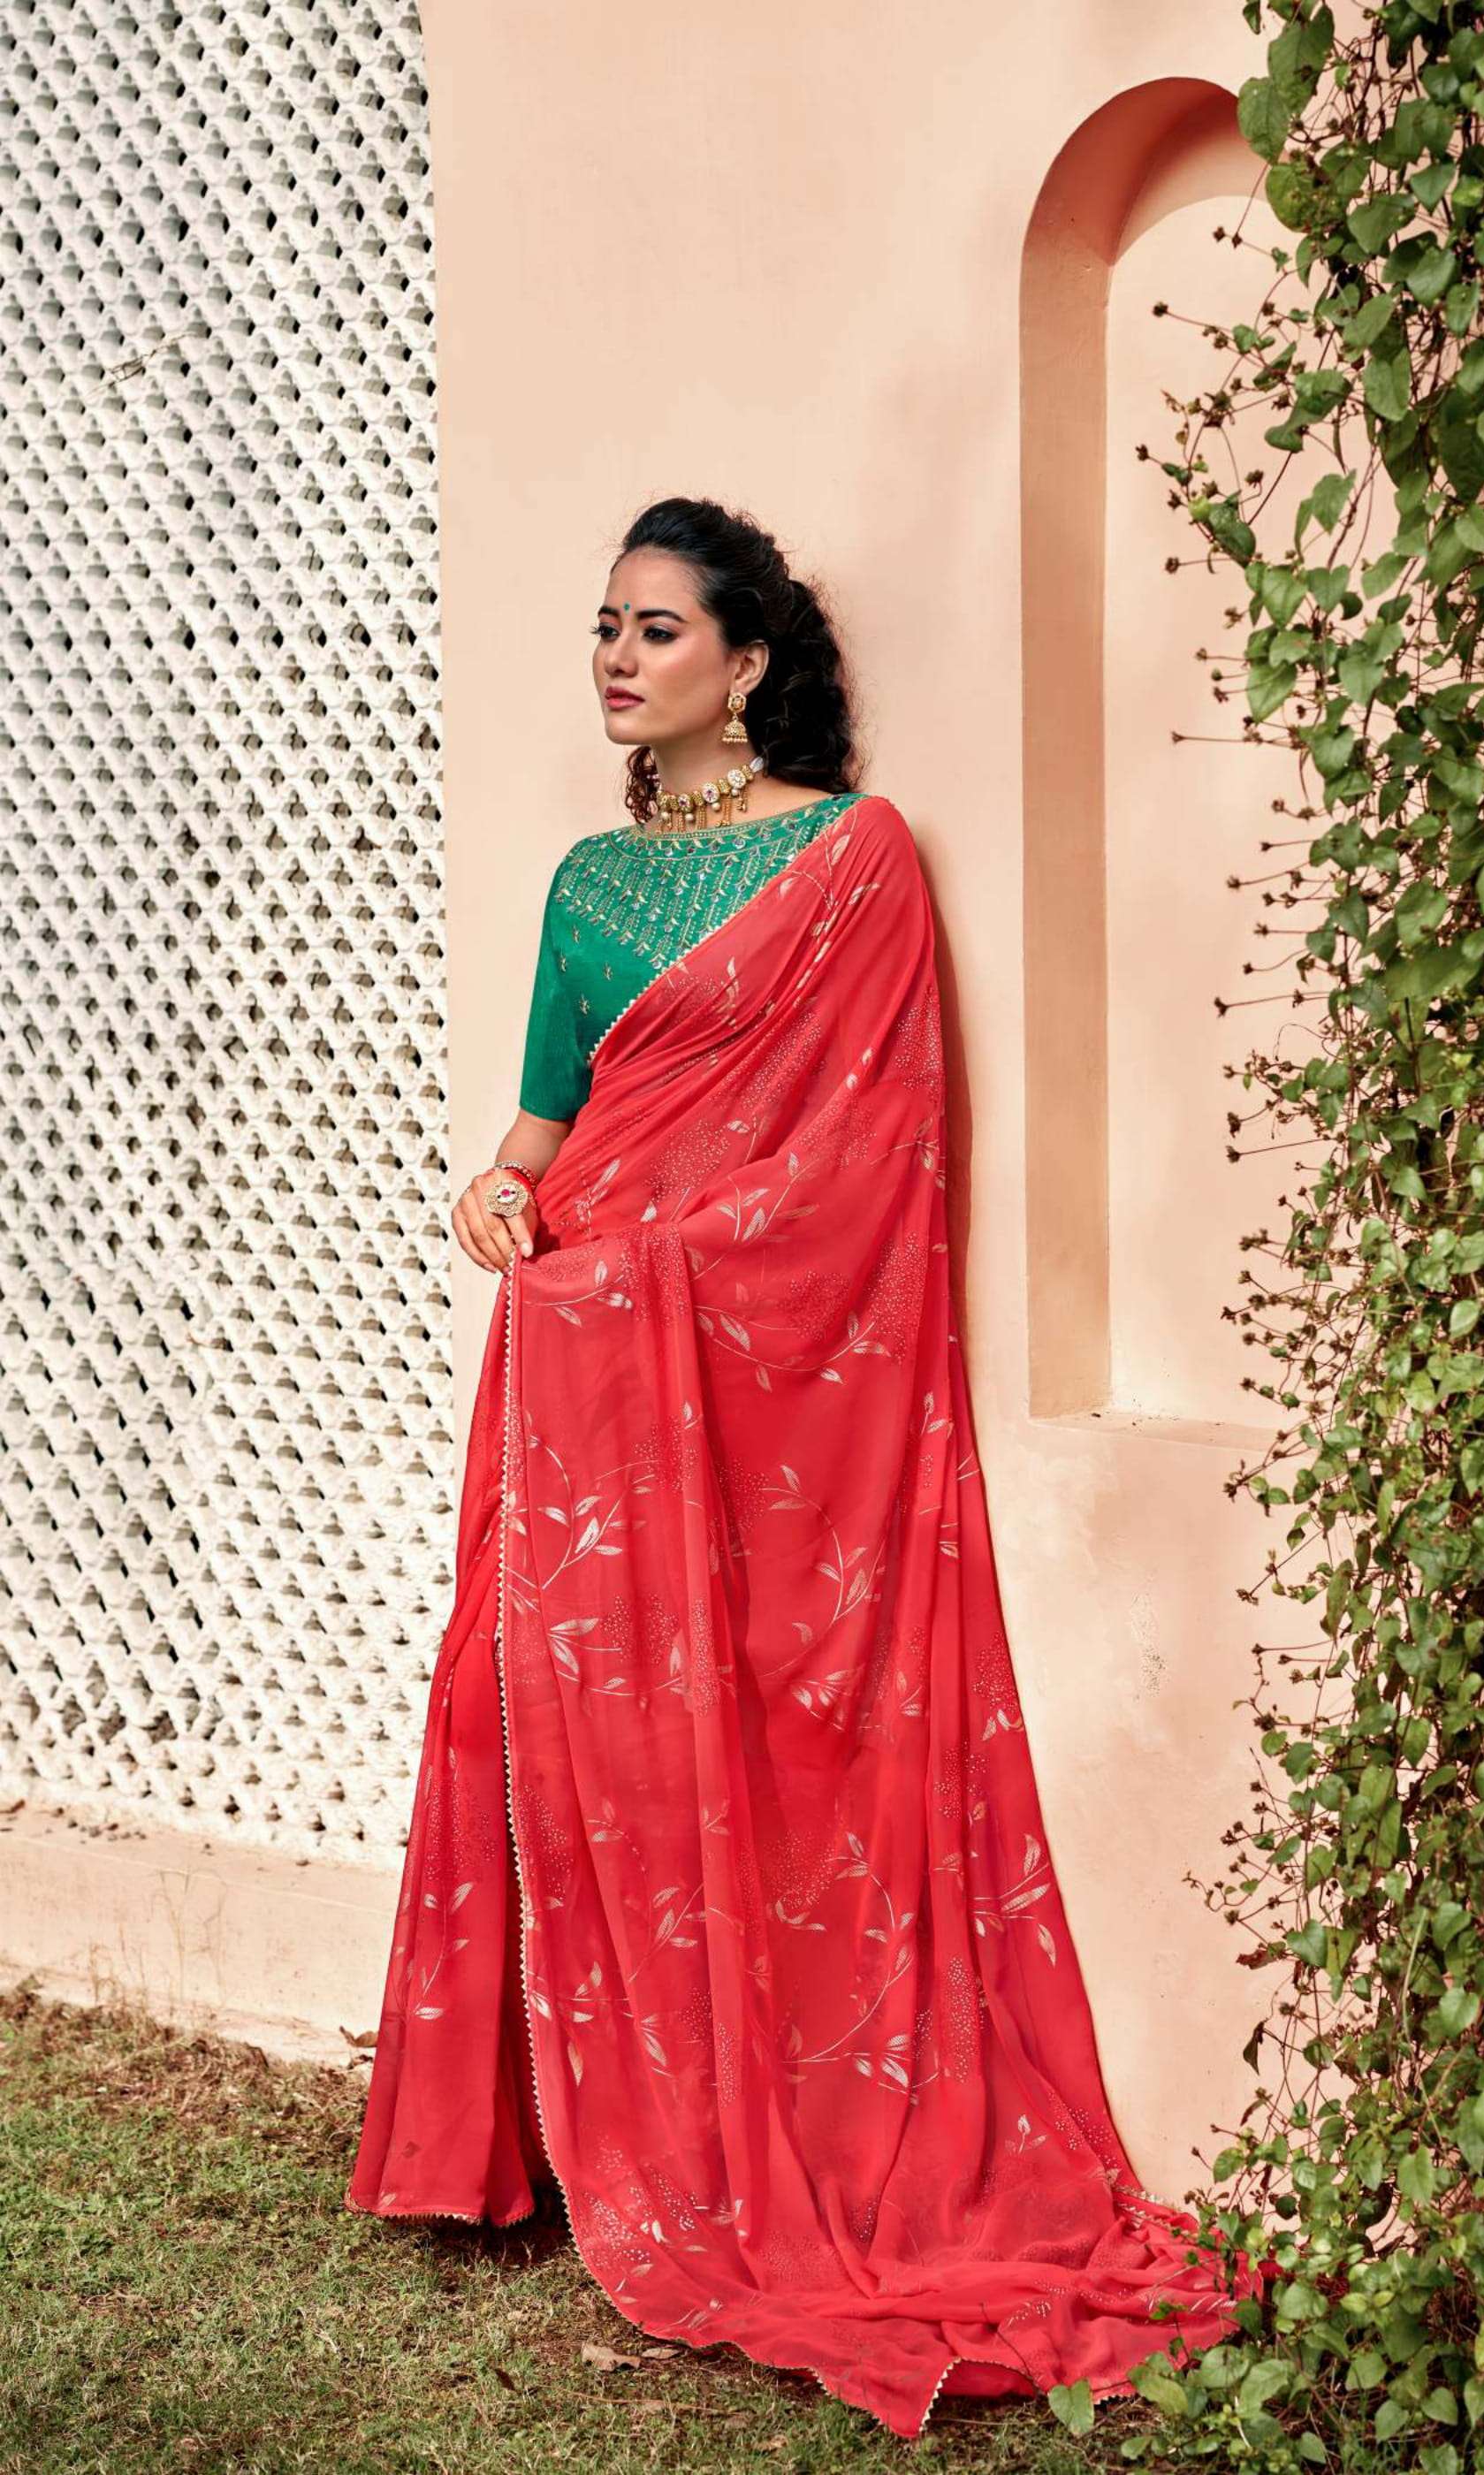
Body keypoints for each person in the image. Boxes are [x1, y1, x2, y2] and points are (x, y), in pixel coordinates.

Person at [345, 496, 1266, 2439]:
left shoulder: (854, 861)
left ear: (748, 662)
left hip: (749, 1390)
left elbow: (864, 1168)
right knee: (545, 1720)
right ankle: (530, 2136)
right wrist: (496, 1205)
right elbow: (539, 1136)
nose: (617, 657)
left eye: (657, 629)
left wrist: (652, 1265)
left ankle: (765, 2143)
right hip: (582, 1376)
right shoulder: (590, 883)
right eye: (605, 626)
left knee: (755, 1741)